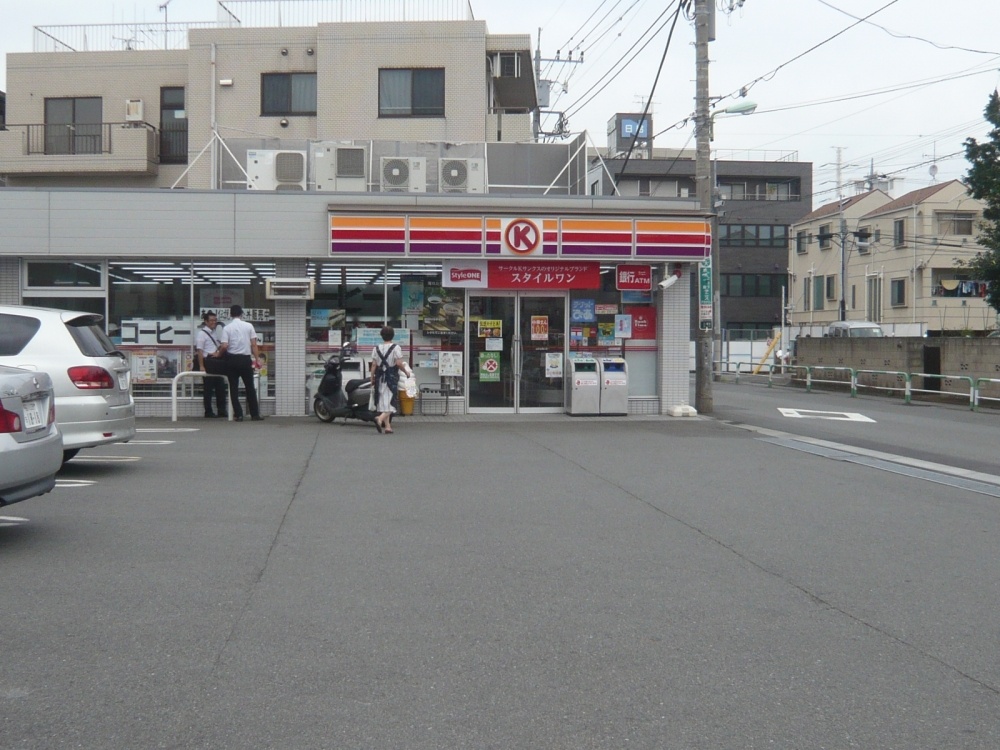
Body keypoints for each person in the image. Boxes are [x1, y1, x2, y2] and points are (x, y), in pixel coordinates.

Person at [219, 304, 263, 422]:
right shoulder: (249, 326)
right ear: (241, 314)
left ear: (230, 314)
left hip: (232, 360)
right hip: (245, 360)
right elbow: (254, 344)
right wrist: (257, 359)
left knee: (233, 388)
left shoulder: (227, 328)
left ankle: (238, 415)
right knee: (250, 387)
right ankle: (255, 414)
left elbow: (224, 346)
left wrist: (218, 354)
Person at [369, 326, 411, 434]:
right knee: (392, 402)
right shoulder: (396, 347)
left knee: (383, 402)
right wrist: (406, 372)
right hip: (391, 378)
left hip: (379, 378)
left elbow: (374, 365)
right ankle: (380, 419)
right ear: (393, 335)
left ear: (382, 336)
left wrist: (371, 378)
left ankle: (388, 427)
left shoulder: (376, 348)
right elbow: (398, 363)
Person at [195, 311, 228, 418]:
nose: (214, 322)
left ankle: (221, 410)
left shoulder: (214, 332)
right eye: (211, 320)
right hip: (207, 361)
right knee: (208, 388)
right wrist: (201, 366)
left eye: (215, 320)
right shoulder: (201, 334)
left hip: (215, 361)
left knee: (220, 387)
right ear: (206, 321)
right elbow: (200, 351)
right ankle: (208, 411)